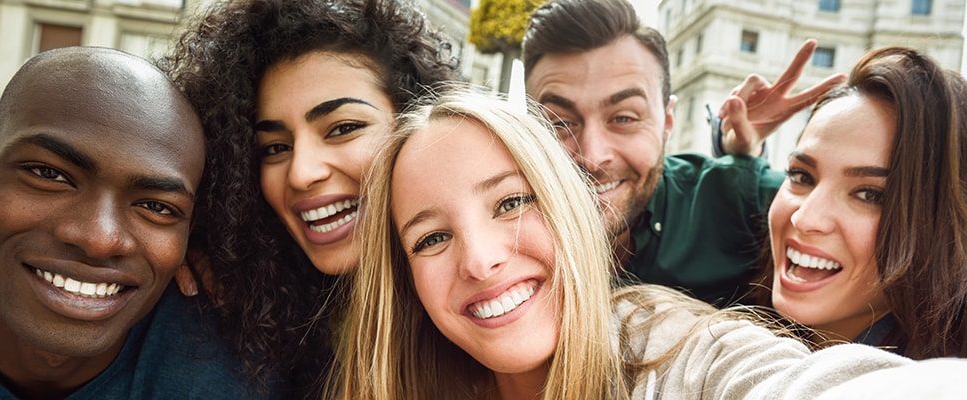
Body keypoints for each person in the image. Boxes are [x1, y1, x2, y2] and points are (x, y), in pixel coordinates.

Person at [328, 84, 967, 400]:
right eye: (431, 237)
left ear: (573, 209)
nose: (481, 257)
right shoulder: (395, 377)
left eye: (513, 201)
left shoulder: (666, 350)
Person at [159, 0, 460, 394]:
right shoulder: (228, 305)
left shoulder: (489, 287)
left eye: (343, 128)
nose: (302, 173)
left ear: (415, 121)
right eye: (274, 148)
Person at [0, 47, 258, 399]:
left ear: (190, 234)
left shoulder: (236, 371)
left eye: (156, 206)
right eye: (50, 174)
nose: (98, 238)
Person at [521, 0, 845, 307]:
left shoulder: (733, 199)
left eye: (623, 118)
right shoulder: (501, 231)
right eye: (559, 123)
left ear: (667, 122)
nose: (592, 156)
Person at [735, 47, 967, 359]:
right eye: (801, 175)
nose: (804, 219)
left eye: (870, 195)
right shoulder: (743, 328)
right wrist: (735, 158)